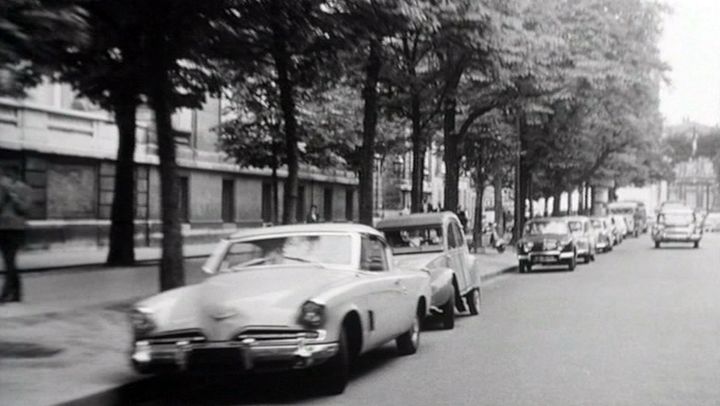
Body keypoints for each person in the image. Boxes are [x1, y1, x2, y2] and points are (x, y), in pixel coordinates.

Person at [0, 167, 31, 303]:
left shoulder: (25, 189)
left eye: (8, 174)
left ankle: (6, 293)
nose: (5, 177)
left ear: (16, 175)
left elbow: (25, 209)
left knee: (10, 261)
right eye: (4, 174)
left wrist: (13, 195)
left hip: (16, 229)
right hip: (3, 228)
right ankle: (17, 293)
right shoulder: (1, 189)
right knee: (9, 261)